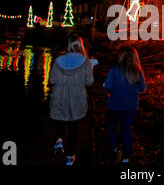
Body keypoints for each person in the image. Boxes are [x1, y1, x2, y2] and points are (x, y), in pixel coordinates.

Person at [49, 34, 95, 165]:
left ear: (68, 44)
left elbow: (52, 79)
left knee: (59, 118)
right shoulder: (85, 62)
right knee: (73, 127)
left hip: (60, 96)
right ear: (81, 45)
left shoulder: (58, 61)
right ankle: (70, 156)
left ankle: (59, 142)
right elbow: (89, 81)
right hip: (76, 99)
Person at [104, 46, 146, 164]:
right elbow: (142, 88)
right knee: (126, 129)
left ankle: (116, 147)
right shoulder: (138, 72)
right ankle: (126, 156)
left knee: (112, 128)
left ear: (121, 56)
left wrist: (109, 91)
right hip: (131, 107)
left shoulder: (113, 70)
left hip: (115, 106)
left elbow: (108, 88)